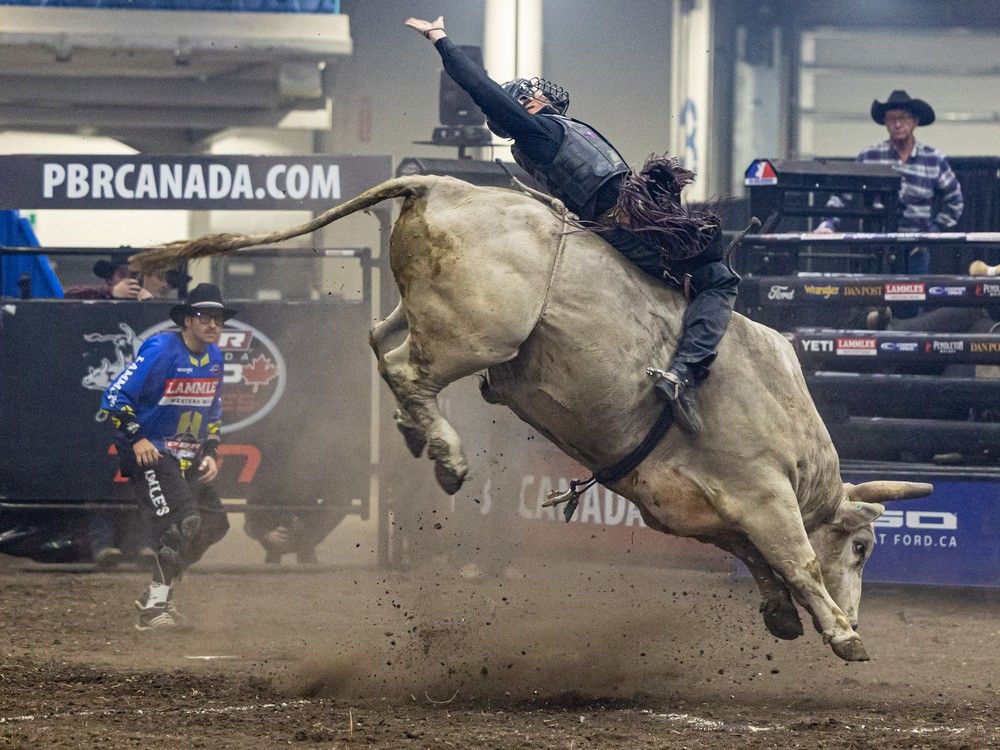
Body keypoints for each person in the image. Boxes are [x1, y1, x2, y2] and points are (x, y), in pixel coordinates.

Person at [405, 15, 739, 434]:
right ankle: (684, 372)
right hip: (629, 225)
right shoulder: (539, 132)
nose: (541, 90)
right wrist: (442, 41)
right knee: (719, 279)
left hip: (626, 221)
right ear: (526, 104)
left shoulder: (546, 134)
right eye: (533, 92)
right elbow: (483, 90)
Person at [101, 283, 233, 631]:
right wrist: (138, 438)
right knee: (184, 521)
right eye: (205, 317)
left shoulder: (215, 359)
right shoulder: (161, 349)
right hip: (151, 453)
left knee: (214, 524)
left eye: (218, 318)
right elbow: (115, 395)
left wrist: (211, 450)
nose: (213, 325)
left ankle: (157, 595)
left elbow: (214, 411)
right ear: (188, 320)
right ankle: (152, 611)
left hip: (188, 455)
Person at [815, 90, 964, 274]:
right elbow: (842, 194)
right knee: (872, 299)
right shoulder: (869, 157)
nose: (897, 124)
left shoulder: (933, 159)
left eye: (903, 118)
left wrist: (933, 231)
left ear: (915, 122)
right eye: (891, 119)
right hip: (876, 250)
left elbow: (955, 201)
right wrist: (828, 224)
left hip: (915, 252)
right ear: (885, 123)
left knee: (913, 301)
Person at [64, 253, 143, 300]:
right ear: (109, 279)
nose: (128, 279)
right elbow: (67, 295)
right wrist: (111, 292)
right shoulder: (99, 295)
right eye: (122, 274)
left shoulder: (143, 297)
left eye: (133, 274)